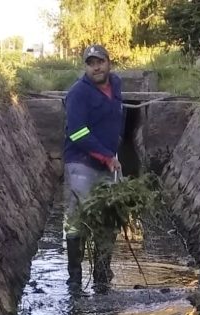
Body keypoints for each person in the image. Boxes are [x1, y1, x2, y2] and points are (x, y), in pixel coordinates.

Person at [63, 44, 123, 292]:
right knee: (78, 218)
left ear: (109, 62)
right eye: (91, 63)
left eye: (100, 62)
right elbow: (77, 133)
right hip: (81, 162)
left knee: (110, 215)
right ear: (86, 67)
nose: (96, 67)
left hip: (108, 159)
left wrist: (113, 152)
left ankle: (101, 275)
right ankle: (75, 280)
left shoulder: (117, 84)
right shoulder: (78, 93)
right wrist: (106, 156)